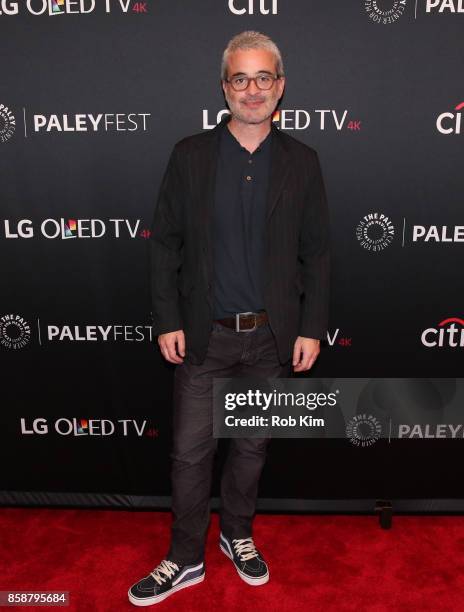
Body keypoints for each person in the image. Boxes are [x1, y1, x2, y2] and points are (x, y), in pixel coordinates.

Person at [128, 30, 331, 606]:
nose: (252, 90)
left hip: (271, 340)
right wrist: (166, 318)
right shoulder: (189, 155)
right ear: (224, 88)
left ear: (281, 87)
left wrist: (311, 326)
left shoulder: (303, 162)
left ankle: (237, 536)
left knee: (250, 449)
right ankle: (185, 557)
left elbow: (316, 252)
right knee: (190, 454)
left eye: (263, 78)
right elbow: (163, 243)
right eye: (240, 79)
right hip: (203, 337)